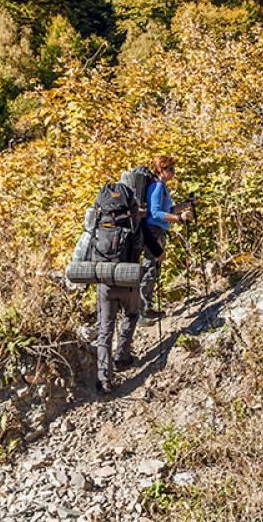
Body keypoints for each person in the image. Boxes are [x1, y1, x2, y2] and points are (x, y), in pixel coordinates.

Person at [96, 205, 162, 395]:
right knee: (131, 314)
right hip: (129, 281)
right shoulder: (137, 224)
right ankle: (122, 356)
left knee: (105, 329)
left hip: (105, 283)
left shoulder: (100, 222)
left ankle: (104, 379)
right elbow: (158, 253)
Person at [139, 155, 191, 325]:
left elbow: (168, 209)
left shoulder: (161, 186)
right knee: (150, 269)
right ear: (161, 170)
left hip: (157, 231)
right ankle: (142, 311)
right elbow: (156, 213)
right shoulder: (157, 186)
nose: (173, 172)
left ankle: (147, 307)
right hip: (153, 231)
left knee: (153, 268)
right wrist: (179, 219)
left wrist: (186, 204)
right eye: (170, 169)